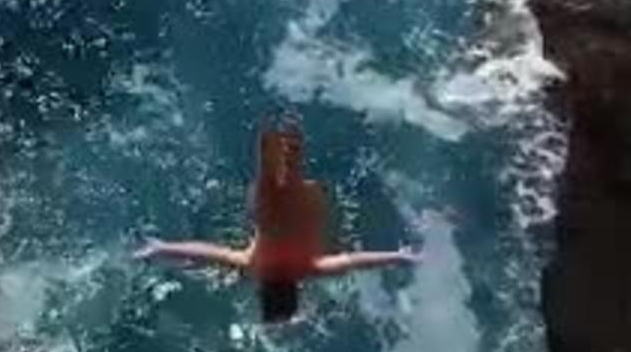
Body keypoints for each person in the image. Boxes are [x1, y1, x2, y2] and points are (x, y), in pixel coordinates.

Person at [136, 120, 419, 321]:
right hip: (269, 212)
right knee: (268, 172)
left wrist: (398, 256)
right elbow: (208, 253)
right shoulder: (255, 266)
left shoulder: (308, 271)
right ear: (264, 291)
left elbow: (351, 260)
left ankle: (291, 130)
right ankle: (275, 130)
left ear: (294, 292)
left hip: (304, 210)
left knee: (293, 172)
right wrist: (162, 248)